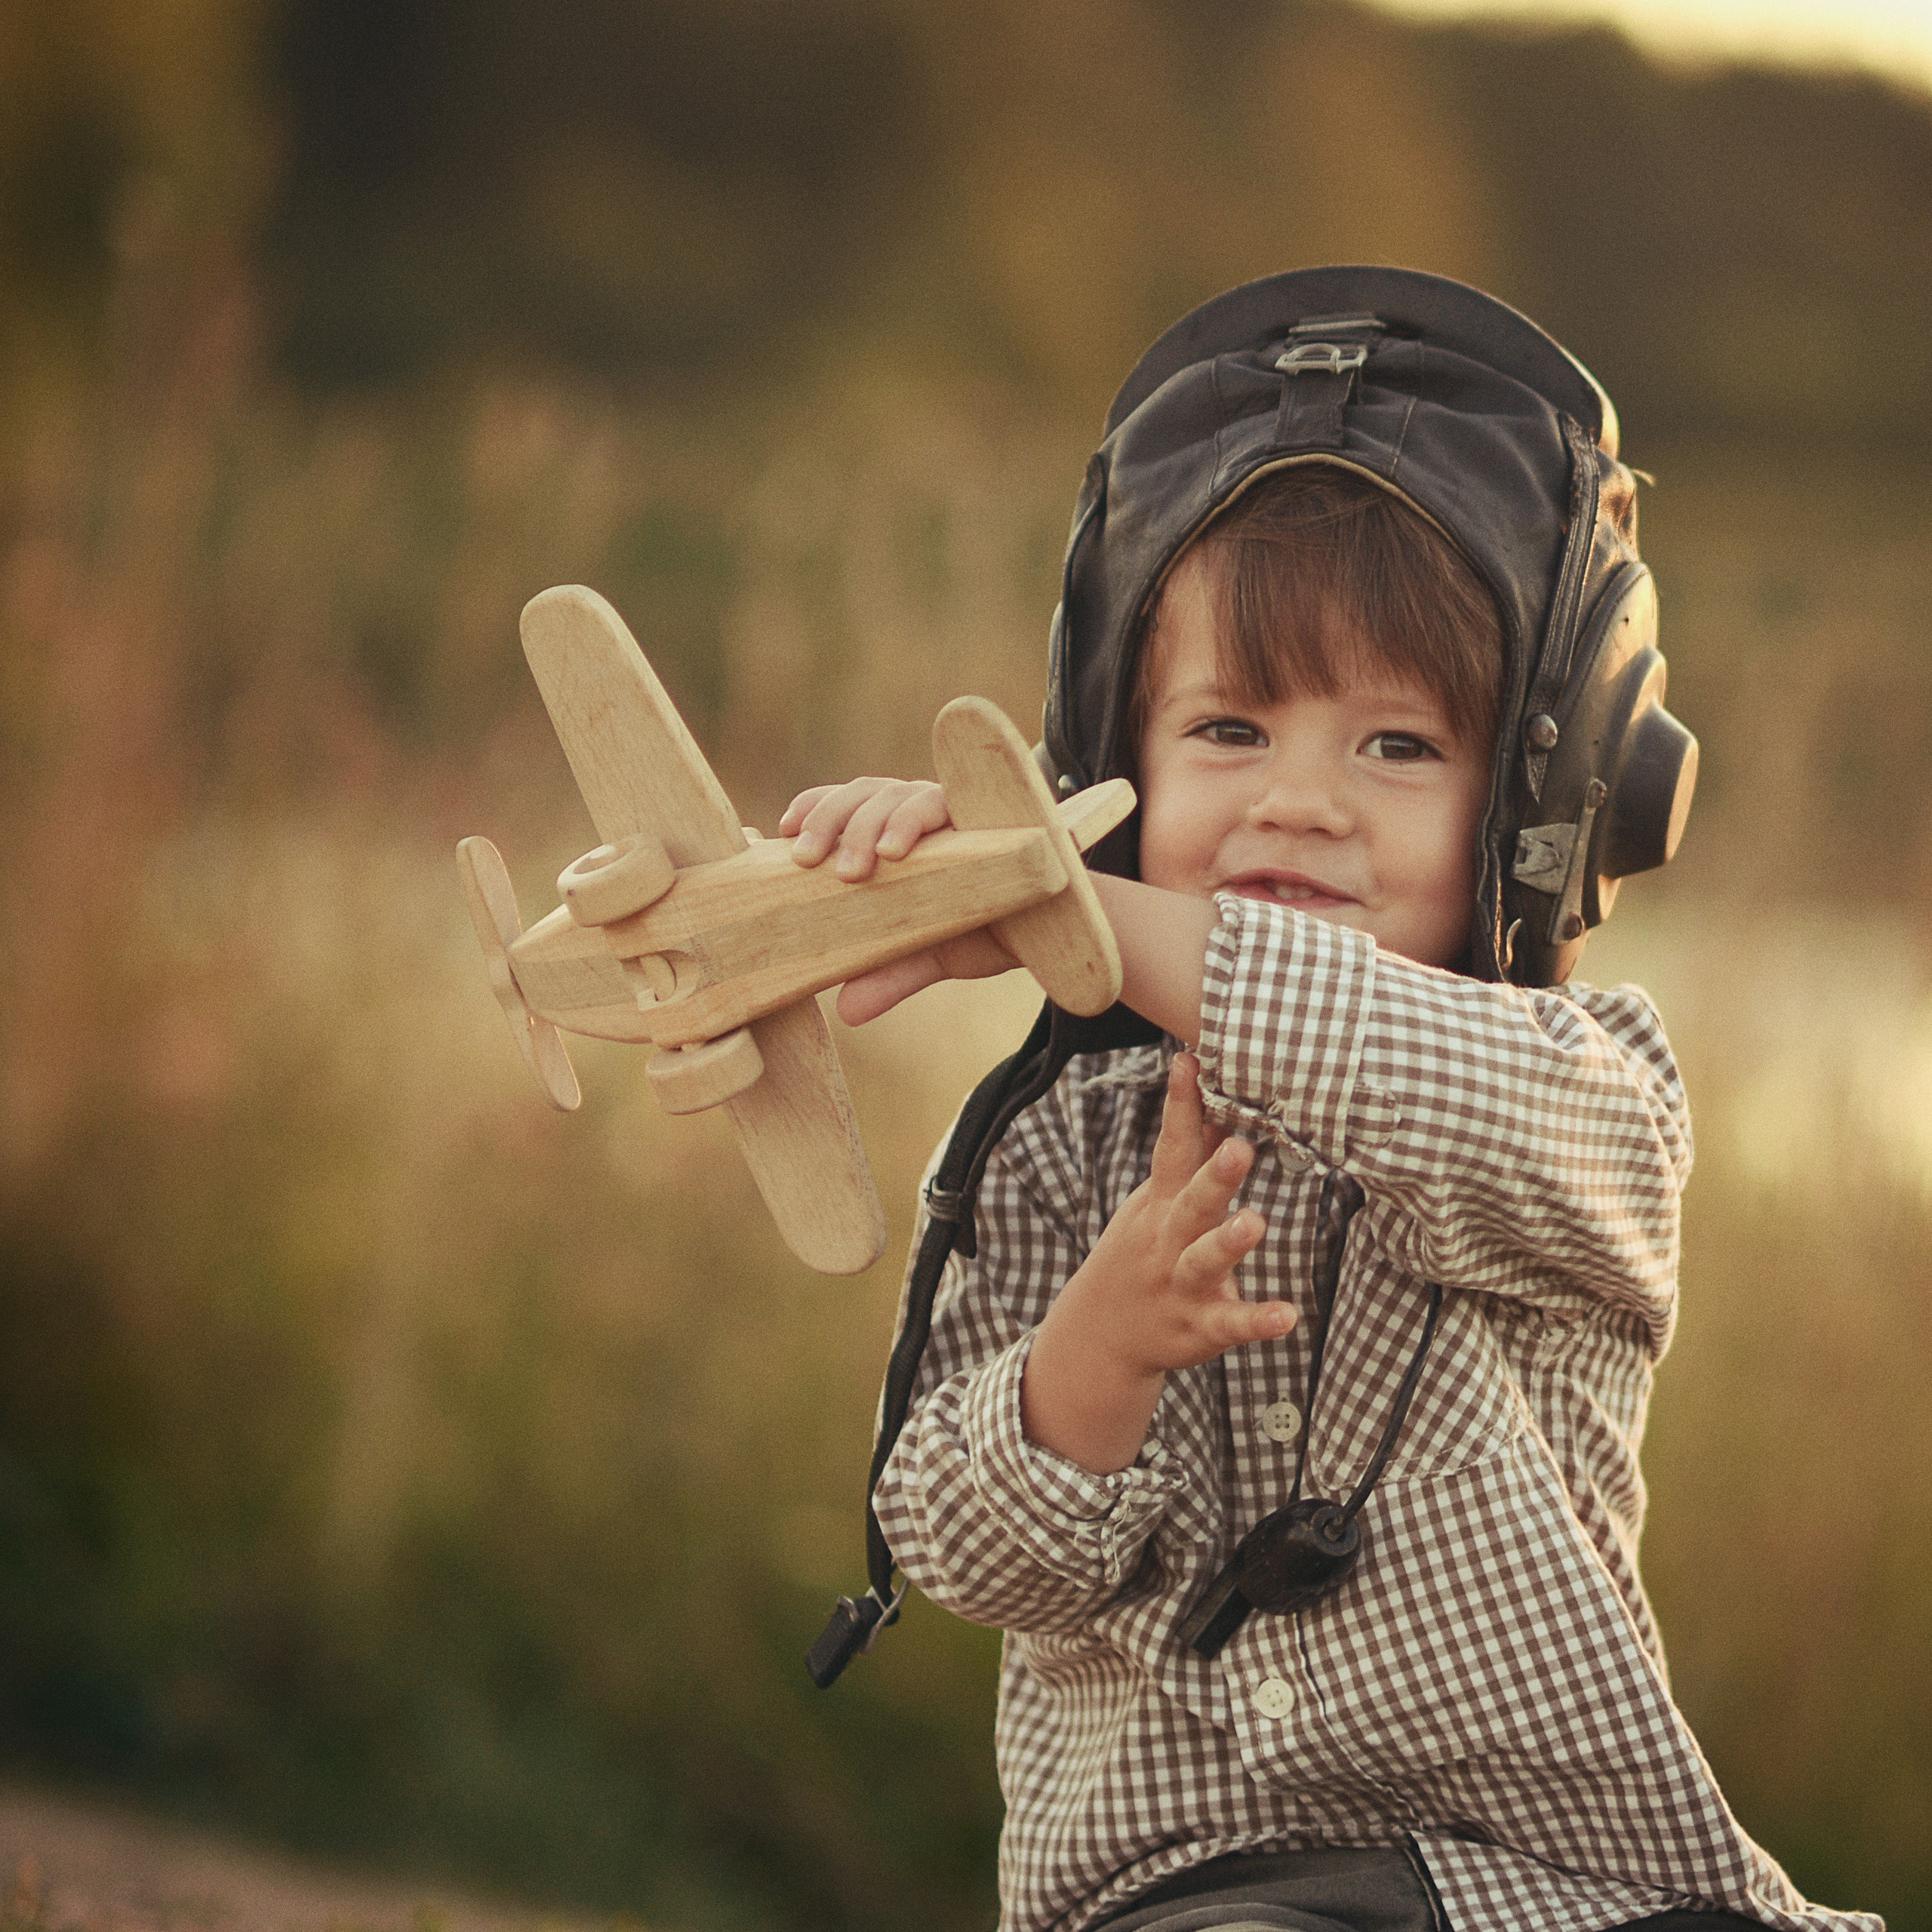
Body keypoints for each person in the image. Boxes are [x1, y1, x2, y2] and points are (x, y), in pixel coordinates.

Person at [783, 270, 1874, 1932]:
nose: (1298, 801)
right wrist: (1097, 1349)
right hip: (1188, 1889)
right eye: (1226, 726)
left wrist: (1045, 908)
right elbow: (955, 1540)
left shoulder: (1582, 1091)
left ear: (1541, 799)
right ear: (1111, 759)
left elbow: (1388, 1059)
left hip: (1565, 1892)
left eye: (1395, 749)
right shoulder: (1053, 1139)